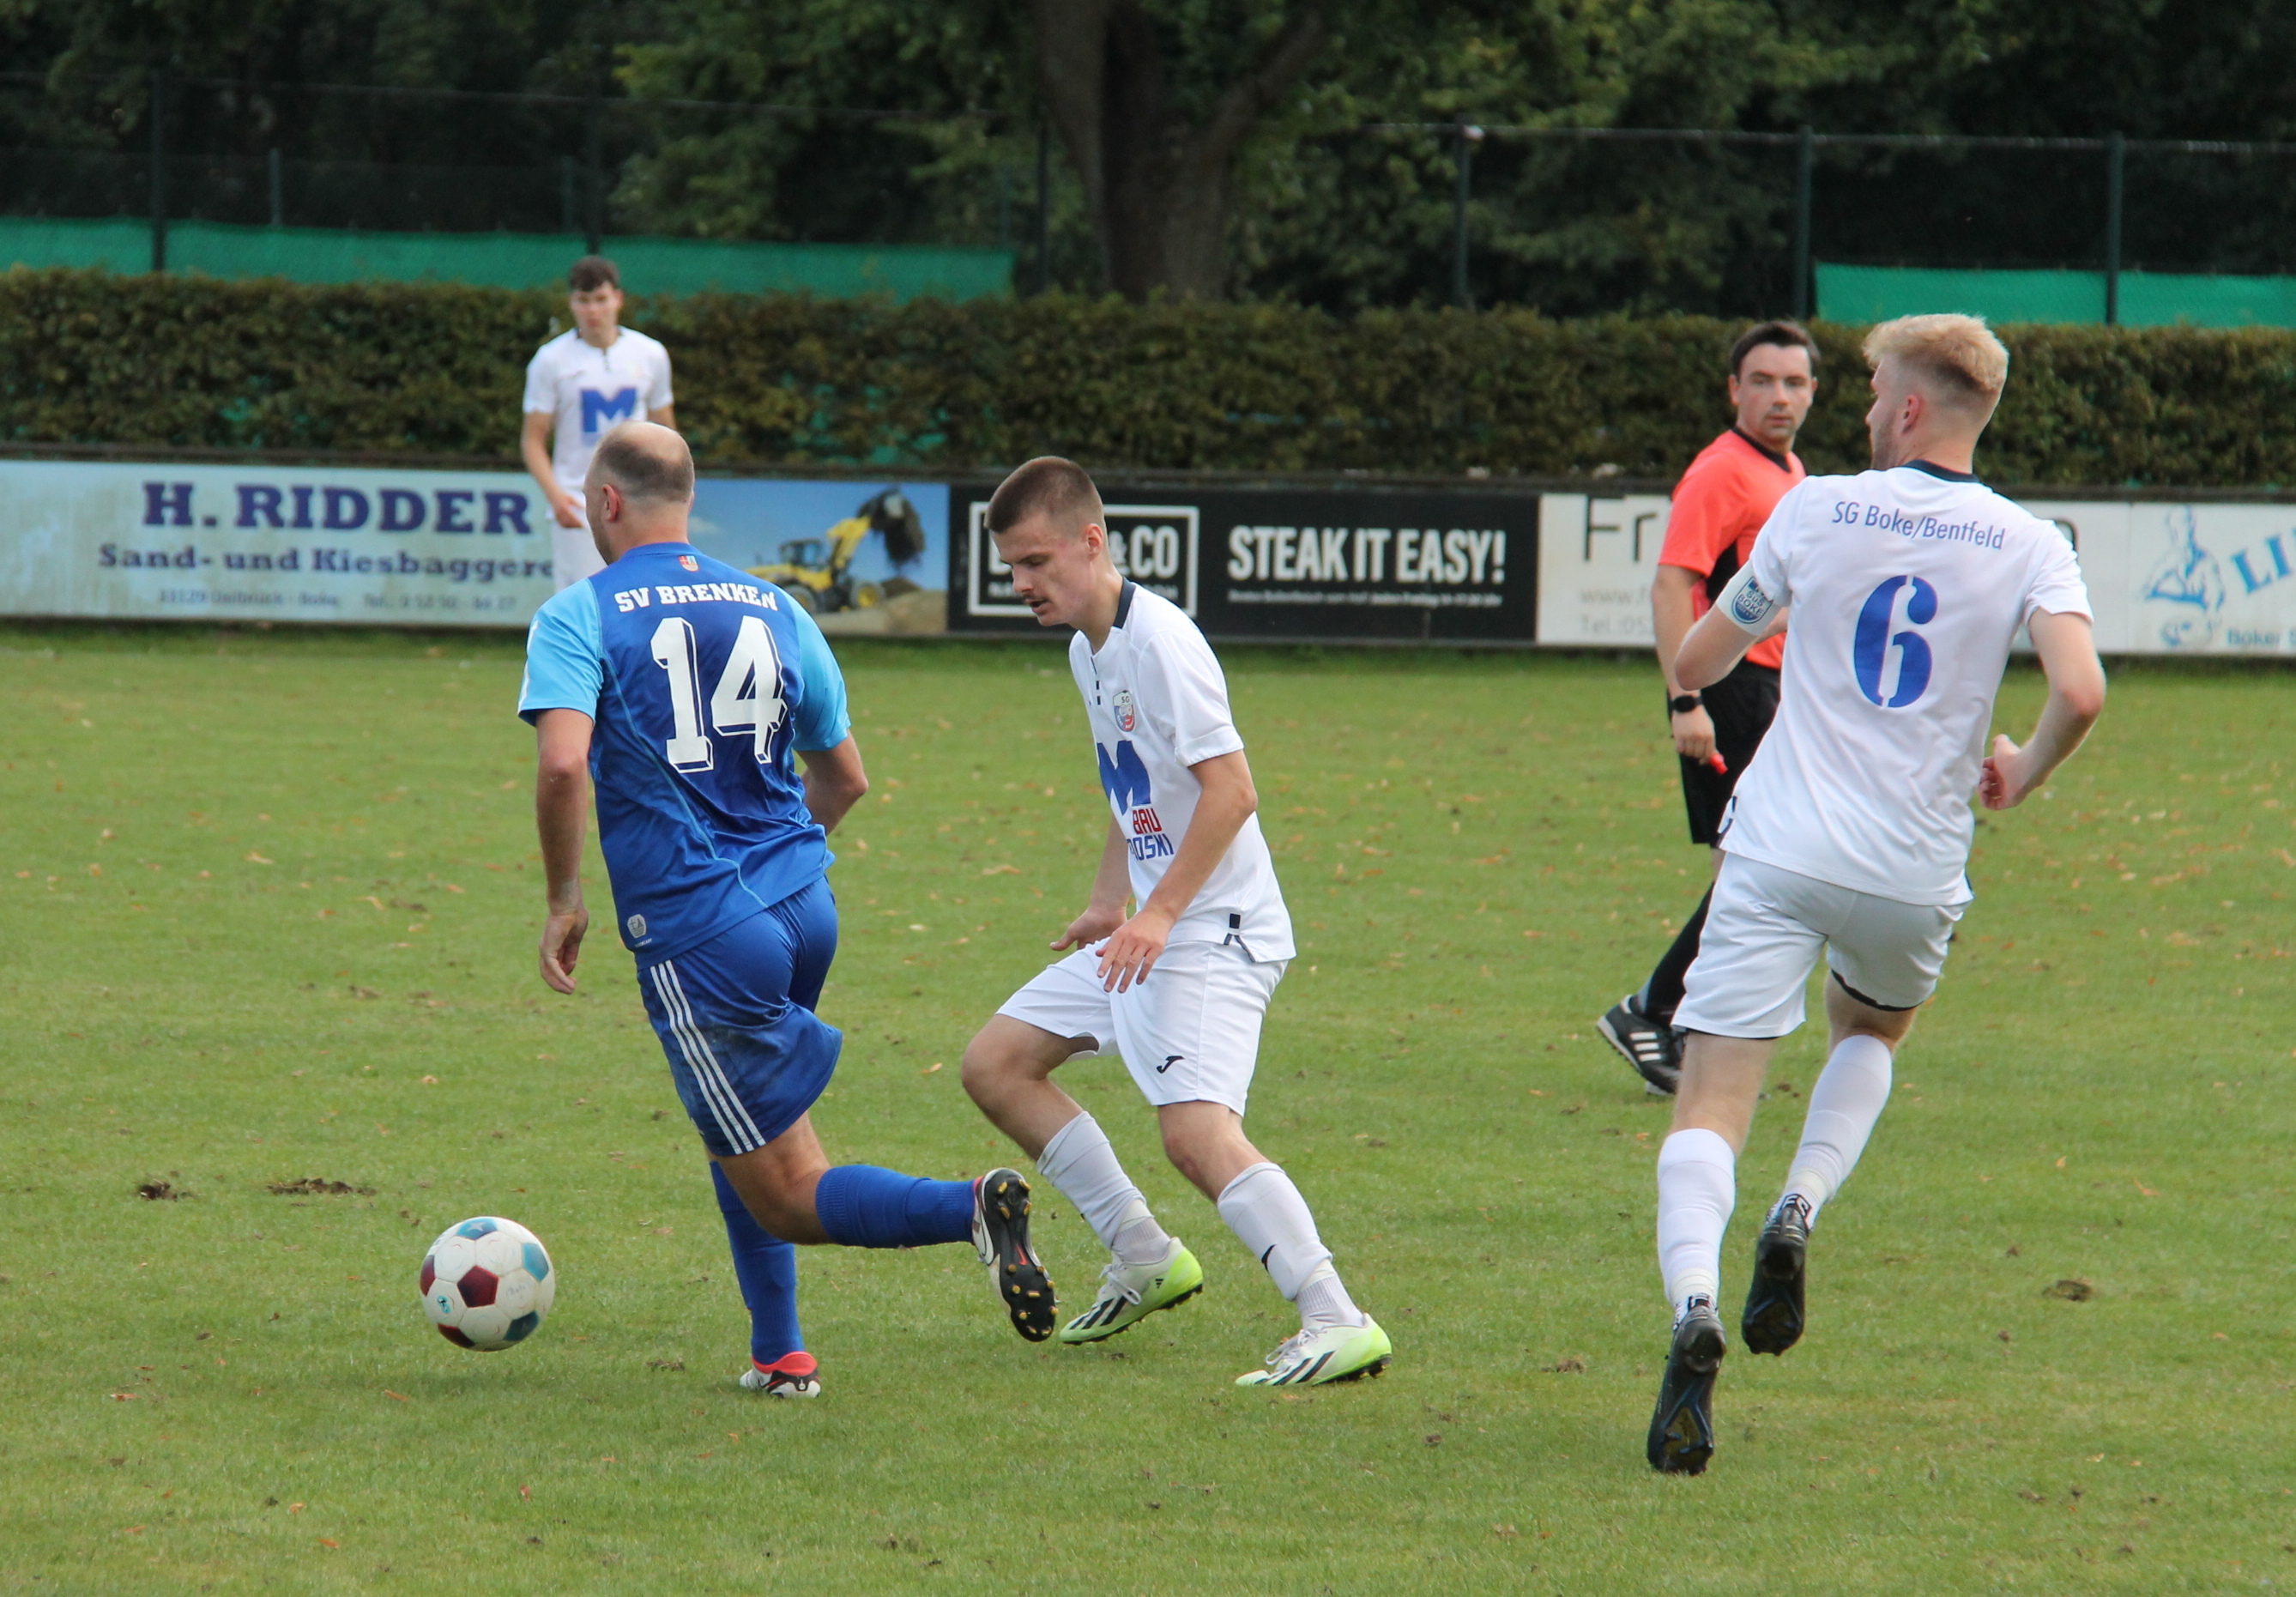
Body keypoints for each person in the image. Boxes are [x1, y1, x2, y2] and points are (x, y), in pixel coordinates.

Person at [1643, 315, 2105, 1474]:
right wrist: (2024, 767)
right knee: (1874, 1029)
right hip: (1912, 867)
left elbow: (1701, 655)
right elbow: (2083, 690)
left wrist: (1703, 665)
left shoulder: (1817, 506)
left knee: (1709, 1099)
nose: (1854, 412)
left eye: (1865, 394)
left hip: (1782, 848)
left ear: (1904, 408)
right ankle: (1798, 1208)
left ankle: (1695, 1309)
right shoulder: (2027, 538)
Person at [518, 422, 1056, 1400]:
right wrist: (769, 875)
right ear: (687, 498)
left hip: (701, 934)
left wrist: (565, 897)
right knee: (743, 1130)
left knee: (789, 1191)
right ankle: (781, 1353)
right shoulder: (777, 606)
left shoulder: (577, 613)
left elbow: (562, 763)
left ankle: (971, 1207)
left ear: (604, 503)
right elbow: (844, 778)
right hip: (805, 907)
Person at [958, 457, 1392, 1389]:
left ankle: (1336, 1316)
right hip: (1152, 925)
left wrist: (1156, 912)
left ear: (1092, 541)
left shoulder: (1161, 644)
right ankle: (1145, 1254)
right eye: (1011, 570)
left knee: (1195, 1134)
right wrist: (1111, 901)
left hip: (1213, 926)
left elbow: (1232, 793)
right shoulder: (1089, 647)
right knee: (996, 1063)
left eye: (1037, 560)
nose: (1025, 584)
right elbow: (1134, 792)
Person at [1598, 322, 1818, 1096]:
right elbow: (1671, 585)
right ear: (1734, 390)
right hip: (1725, 692)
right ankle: (1655, 1011)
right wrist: (1684, 700)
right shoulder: (1723, 472)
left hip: (1765, 691)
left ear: (1814, 393)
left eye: (1794, 382)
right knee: (1753, 868)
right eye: (1762, 381)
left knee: (1754, 866)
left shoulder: (1788, 471)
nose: (1779, 396)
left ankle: (1683, 1020)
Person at [522, 257, 675, 591]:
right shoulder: (550, 360)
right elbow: (532, 440)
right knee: (583, 603)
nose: (593, 311)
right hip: (579, 502)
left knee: (643, 597)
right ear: (571, 303)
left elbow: (667, 433)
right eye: (584, 301)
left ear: (618, 299)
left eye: (601, 300)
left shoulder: (650, 354)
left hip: (639, 497)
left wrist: (669, 490)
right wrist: (557, 497)